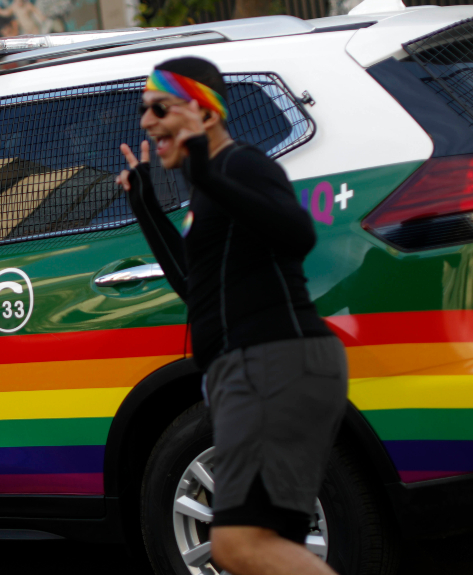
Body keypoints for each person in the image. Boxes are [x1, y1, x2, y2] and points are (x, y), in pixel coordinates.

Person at [116, 57, 347, 575]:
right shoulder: (212, 182)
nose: (146, 122)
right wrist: (147, 205)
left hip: (272, 365)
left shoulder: (241, 165)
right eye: (144, 111)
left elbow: (297, 235)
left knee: (239, 546)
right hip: (256, 368)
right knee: (268, 547)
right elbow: (195, 288)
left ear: (205, 113)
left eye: (160, 108)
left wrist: (202, 164)